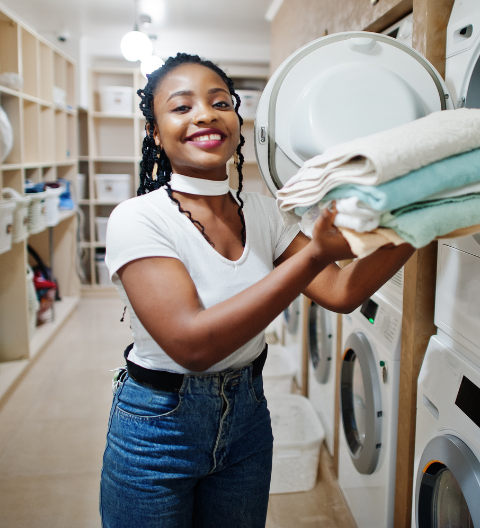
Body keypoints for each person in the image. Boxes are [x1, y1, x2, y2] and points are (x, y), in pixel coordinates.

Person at [99, 52, 414, 528]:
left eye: (220, 102)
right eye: (181, 108)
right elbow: (193, 345)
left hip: (247, 417)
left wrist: (424, 217)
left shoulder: (265, 212)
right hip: (159, 430)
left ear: (236, 120)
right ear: (155, 133)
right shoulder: (139, 218)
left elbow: (342, 291)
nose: (205, 114)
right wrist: (313, 254)